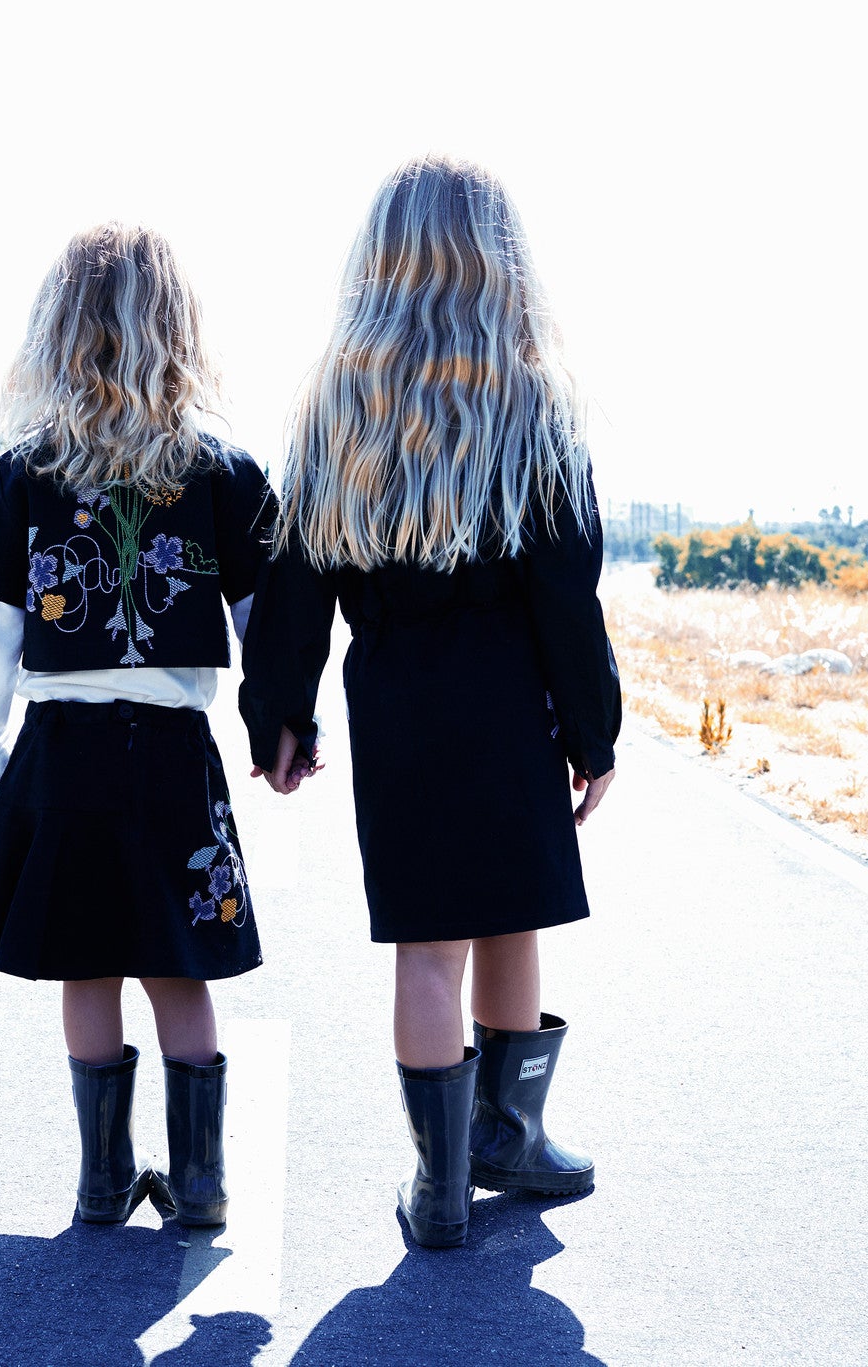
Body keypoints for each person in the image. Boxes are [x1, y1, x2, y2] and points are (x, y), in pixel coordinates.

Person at [239, 156, 622, 1248]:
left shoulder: (333, 415)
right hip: (510, 709)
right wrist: (590, 732)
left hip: (400, 709)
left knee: (431, 949)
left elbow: (293, 586)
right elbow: (565, 597)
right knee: (513, 914)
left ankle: (445, 1183)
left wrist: (282, 716)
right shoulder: (536, 410)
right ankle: (509, 1134)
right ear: (503, 265)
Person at [0, 223, 276, 1229]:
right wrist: (276, 722)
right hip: (173, 751)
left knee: (84, 956)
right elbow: (269, 617)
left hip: (64, 747)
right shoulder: (220, 465)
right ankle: (202, 1181)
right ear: (177, 328)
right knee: (177, 959)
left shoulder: (29, 468)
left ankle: (99, 1180)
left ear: (57, 331)